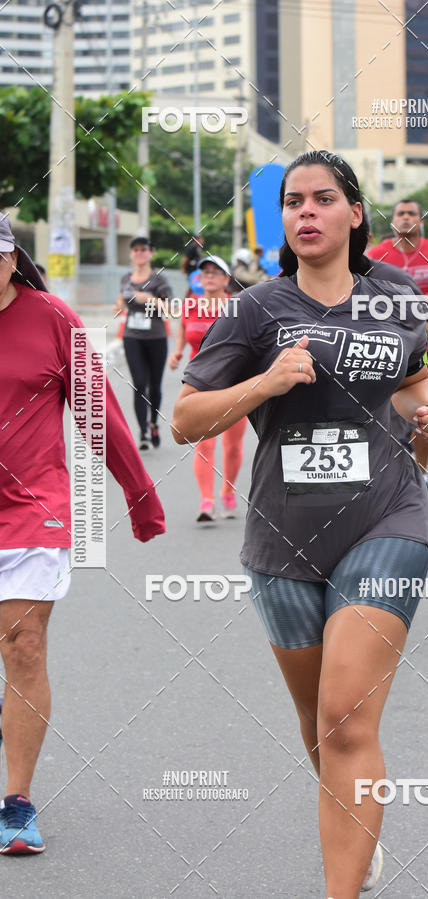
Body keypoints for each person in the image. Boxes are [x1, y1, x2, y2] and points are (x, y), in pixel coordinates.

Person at [172, 150, 428, 897]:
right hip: (282, 539)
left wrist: (426, 418)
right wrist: (266, 379)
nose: (306, 212)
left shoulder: (397, 296)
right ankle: (356, 839)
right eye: (293, 201)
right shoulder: (254, 308)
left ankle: (340, 888)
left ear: (355, 213)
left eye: (323, 199)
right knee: (321, 727)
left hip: (388, 516)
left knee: (345, 717)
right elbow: (185, 420)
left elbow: (411, 384)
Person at [0, 214, 165, 854]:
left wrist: (141, 496)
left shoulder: (52, 319)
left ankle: (16, 802)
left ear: (14, 259)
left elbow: (100, 412)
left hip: (32, 510)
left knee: (24, 647)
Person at [368, 199, 428, 507]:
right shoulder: (377, 255)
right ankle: (387, 475)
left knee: (422, 408)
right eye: (401, 213)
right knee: (383, 410)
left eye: (412, 213)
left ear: (420, 220)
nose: (407, 217)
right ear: (392, 220)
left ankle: (421, 476)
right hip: (383, 342)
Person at [169, 256, 247, 521]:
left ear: (227, 279)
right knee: (204, 443)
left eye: (216, 272)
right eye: (205, 272)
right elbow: (182, 328)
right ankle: (207, 500)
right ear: (199, 279)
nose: (210, 276)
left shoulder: (237, 307)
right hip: (199, 385)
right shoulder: (190, 305)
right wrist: (178, 352)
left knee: (233, 445)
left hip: (234, 384)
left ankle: (227, 488)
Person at [113, 236, 172, 450]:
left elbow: (169, 307)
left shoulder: (159, 280)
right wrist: (119, 306)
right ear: (131, 254)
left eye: (143, 249)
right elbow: (121, 302)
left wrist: (146, 299)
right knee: (139, 384)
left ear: (151, 253)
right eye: (135, 250)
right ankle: (143, 432)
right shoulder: (125, 279)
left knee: (154, 385)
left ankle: (154, 422)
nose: (139, 253)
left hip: (156, 337)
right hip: (132, 337)